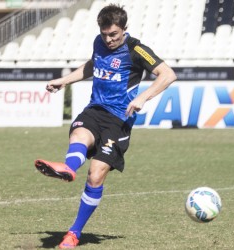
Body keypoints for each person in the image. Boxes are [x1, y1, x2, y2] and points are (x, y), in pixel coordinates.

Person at [34, 4, 177, 249]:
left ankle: (74, 233)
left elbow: (167, 74)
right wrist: (64, 81)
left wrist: (143, 97)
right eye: (105, 34)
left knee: (96, 174)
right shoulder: (98, 43)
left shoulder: (137, 50)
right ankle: (68, 169)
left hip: (118, 120)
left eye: (114, 35)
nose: (109, 40)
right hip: (95, 110)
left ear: (124, 29)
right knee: (79, 134)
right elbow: (92, 65)